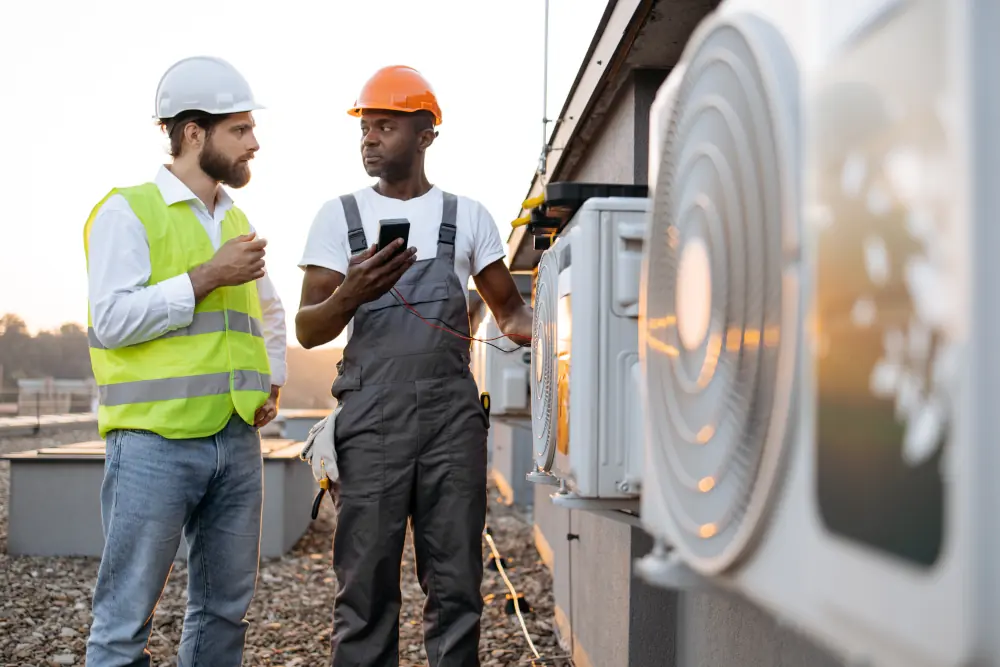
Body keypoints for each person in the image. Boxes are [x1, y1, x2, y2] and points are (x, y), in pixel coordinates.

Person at [296, 64, 533, 667]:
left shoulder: (468, 216)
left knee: (456, 584)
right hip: (371, 416)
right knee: (366, 586)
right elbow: (308, 326)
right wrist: (352, 291)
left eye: (385, 127)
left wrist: (577, 337)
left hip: (452, 422)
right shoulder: (339, 217)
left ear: (426, 134)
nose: (369, 140)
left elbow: (511, 313)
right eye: (364, 128)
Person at [83, 55, 287, 667]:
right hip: (152, 443)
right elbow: (112, 321)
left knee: (225, 612)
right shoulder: (127, 211)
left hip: (235, 438)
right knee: (123, 622)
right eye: (241, 129)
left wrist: (271, 380)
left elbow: (268, 312)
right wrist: (204, 277)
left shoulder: (237, 217)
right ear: (194, 132)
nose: (255, 142)